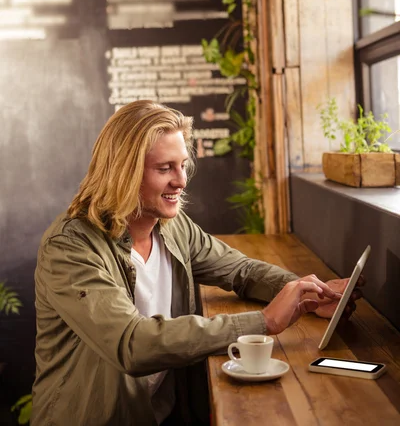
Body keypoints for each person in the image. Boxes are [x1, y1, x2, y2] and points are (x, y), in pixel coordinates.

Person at [31, 100, 363, 426]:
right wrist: (263, 322)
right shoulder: (70, 248)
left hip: (159, 412)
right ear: (123, 173)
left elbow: (240, 270)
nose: (181, 181)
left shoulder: (172, 227)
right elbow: (132, 343)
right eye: (165, 169)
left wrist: (306, 294)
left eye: (183, 165)